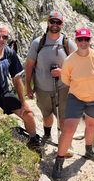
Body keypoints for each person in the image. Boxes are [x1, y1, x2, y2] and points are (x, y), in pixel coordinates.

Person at [52, 28, 94, 181]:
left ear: (90, 41)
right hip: (76, 97)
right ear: (76, 41)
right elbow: (65, 79)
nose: (84, 42)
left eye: (86, 39)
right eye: (80, 39)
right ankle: (59, 160)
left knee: (91, 125)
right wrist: (80, 89)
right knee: (69, 129)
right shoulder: (70, 60)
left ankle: (89, 150)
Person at [25, 11, 76, 141]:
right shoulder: (37, 43)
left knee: (63, 117)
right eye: (52, 22)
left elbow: (77, 67)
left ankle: (64, 142)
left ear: (61, 24)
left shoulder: (68, 44)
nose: (54, 25)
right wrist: (28, 87)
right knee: (47, 116)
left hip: (63, 88)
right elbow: (29, 66)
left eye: (58, 22)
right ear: (47, 22)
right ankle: (47, 135)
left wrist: (62, 72)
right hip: (42, 88)